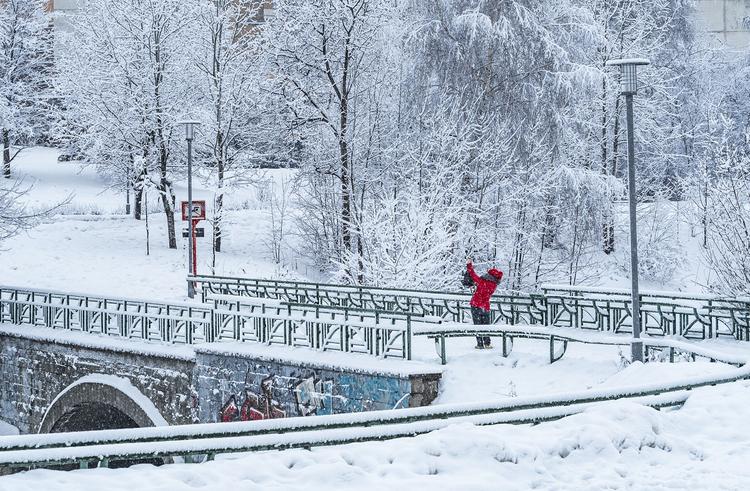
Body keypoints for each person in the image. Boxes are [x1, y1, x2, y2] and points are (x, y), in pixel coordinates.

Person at [466, 259, 503, 349]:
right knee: (486, 325)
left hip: (476, 305)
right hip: (485, 307)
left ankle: (480, 344)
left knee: (477, 325)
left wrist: (469, 265)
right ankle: (487, 343)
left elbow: (472, 274)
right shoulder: (494, 285)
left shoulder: (482, 281)